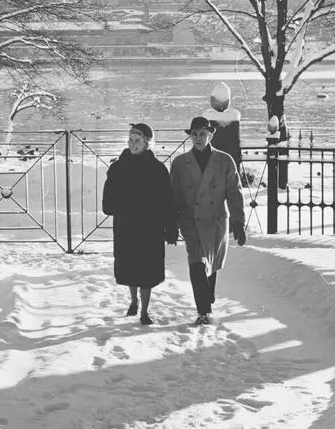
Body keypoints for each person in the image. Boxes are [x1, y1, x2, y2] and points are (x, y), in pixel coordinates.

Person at [170, 115, 246, 326]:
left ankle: (207, 300)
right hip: (191, 221)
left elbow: (234, 192)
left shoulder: (224, 161)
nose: (198, 138)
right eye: (194, 134)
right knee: (196, 263)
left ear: (210, 134)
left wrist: (238, 221)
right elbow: (174, 195)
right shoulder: (179, 163)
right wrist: (171, 223)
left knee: (210, 265)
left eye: (202, 134)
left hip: (216, 222)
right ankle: (204, 311)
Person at [102, 122, 178, 326]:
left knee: (147, 270)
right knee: (130, 267)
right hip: (126, 226)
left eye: (137, 141)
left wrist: (171, 227)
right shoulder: (118, 167)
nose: (132, 144)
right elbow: (108, 199)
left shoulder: (157, 169)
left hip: (149, 228)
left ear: (147, 143)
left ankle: (145, 311)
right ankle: (133, 301)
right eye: (130, 140)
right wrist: (119, 208)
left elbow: (167, 201)